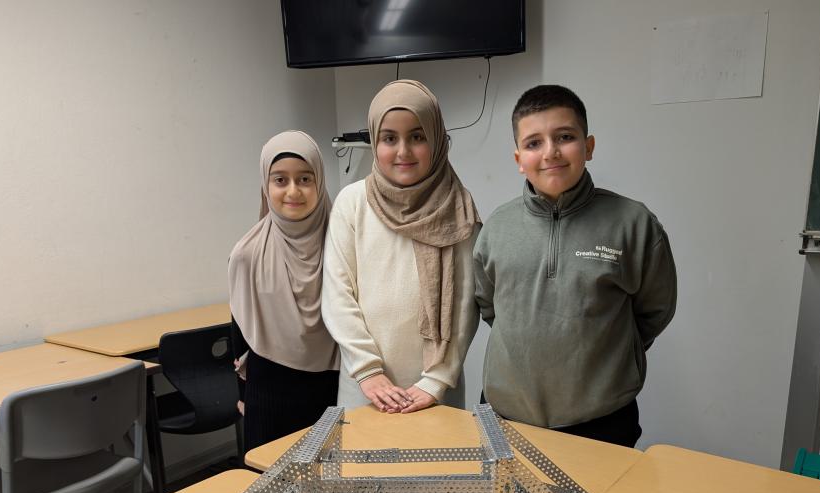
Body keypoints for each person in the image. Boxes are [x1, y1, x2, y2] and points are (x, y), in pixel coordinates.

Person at [473, 85, 677, 447]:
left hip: (603, 420)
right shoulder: (497, 228)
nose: (550, 152)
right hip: (506, 415)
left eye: (564, 137)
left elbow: (655, 309)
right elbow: (490, 306)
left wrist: (613, 351)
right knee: (504, 488)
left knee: (601, 489)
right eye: (534, 143)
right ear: (519, 158)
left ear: (589, 146)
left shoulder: (633, 224)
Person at [323, 79, 480, 414]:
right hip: (366, 389)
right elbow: (337, 295)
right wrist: (368, 371)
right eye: (389, 138)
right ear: (374, 140)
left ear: (437, 139)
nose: (403, 151)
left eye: (418, 137)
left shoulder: (458, 206)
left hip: (436, 393)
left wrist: (435, 382)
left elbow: (465, 303)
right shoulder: (352, 202)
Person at [227, 131, 339, 452]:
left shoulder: (342, 245)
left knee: (334, 479)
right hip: (269, 396)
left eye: (305, 178)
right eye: (280, 180)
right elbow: (240, 333)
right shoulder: (247, 254)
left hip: (335, 390)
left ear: (320, 180)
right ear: (266, 185)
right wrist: (242, 395)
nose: (293, 190)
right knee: (273, 479)